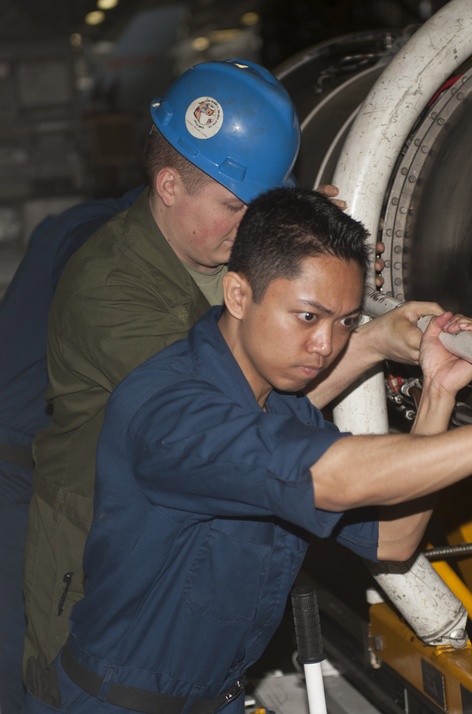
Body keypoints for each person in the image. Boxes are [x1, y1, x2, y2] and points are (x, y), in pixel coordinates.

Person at [22, 187, 472, 714]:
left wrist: (438, 392)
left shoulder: (281, 402)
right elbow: (336, 477)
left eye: (344, 322)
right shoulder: (170, 411)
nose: (327, 345)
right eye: (308, 316)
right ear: (238, 294)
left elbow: (394, 538)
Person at [22, 58, 425, 699]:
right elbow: (246, 423)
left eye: (260, 207)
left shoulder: (212, 253)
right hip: (104, 582)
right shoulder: (110, 291)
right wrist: (368, 341)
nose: (248, 226)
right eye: (235, 206)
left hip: (188, 577)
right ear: (169, 186)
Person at [0, 187, 143, 714]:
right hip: (12, 474)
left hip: (21, 463)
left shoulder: (73, 222)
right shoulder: (102, 240)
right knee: (19, 676)